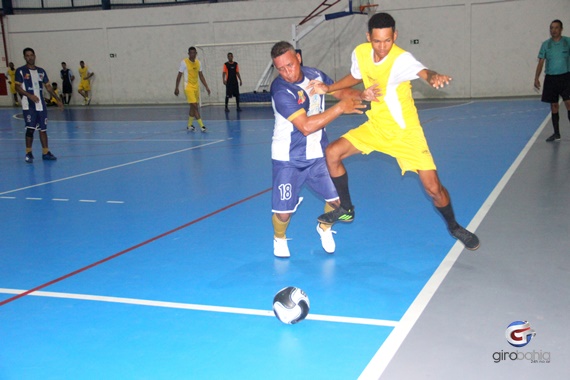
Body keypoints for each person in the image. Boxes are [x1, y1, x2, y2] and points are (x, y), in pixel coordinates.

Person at [309, 13, 480, 251]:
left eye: (387, 41)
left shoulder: (401, 59)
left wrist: (433, 77)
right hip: (376, 127)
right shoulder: (360, 52)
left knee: (433, 188)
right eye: (377, 41)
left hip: (406, 133)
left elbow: (423, 72)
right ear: (369, 37)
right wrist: (328, 88)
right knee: (332, 153)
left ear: (395, 36)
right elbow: (356, 76)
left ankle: (454, 226)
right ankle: (346, 209)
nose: (382, 47)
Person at [269, 41, 366, 258]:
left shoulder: (315, 75)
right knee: (283, 214)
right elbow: (305, 127)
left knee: (339, 203)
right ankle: (280, 238)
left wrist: (364, 95)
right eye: (281, 69)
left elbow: (341, 92)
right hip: (288, 159)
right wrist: (341, 108)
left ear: (299, 59)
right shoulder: (281, 90)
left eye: (290, 65)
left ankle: (325, 227)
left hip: (318, 156)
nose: (287, 72)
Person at [15, 47, 63, 163]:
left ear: (35, 56)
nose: (30, 57)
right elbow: (17, 87)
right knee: (30, 129)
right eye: (27, 55)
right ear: (24, 57)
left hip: (41, 105)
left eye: (31, 55)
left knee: (43, 129)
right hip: (29, 105)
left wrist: (57, 99)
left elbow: (48, 86)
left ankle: (45, 152)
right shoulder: (21, 71)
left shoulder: (41, 71)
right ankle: (28, 153)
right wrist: (29, 95)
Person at [534, 19, 570, 142]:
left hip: (565, 77)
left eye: (556, 28)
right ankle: (556, 133)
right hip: (551, 79)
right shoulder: (546, 44)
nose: (553, 30)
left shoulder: (567, 42)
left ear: (561, 29)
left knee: (568, 103)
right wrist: (536, 78)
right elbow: (541, 62)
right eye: (551, 28)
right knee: (554, 105)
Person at [174, 46, 211, 132]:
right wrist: (176, 87)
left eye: (194, 53)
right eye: (191, 53)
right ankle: (202, 126)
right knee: (195, 106)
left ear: (196, 54)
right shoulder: (184, 63)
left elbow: (201, 75)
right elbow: (179, 75)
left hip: (196, 87)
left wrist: (206, 86)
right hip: (188, 87)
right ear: (188, 54)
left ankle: (189, 125)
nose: (192, 54)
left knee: (192, 107)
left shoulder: (198, 63)